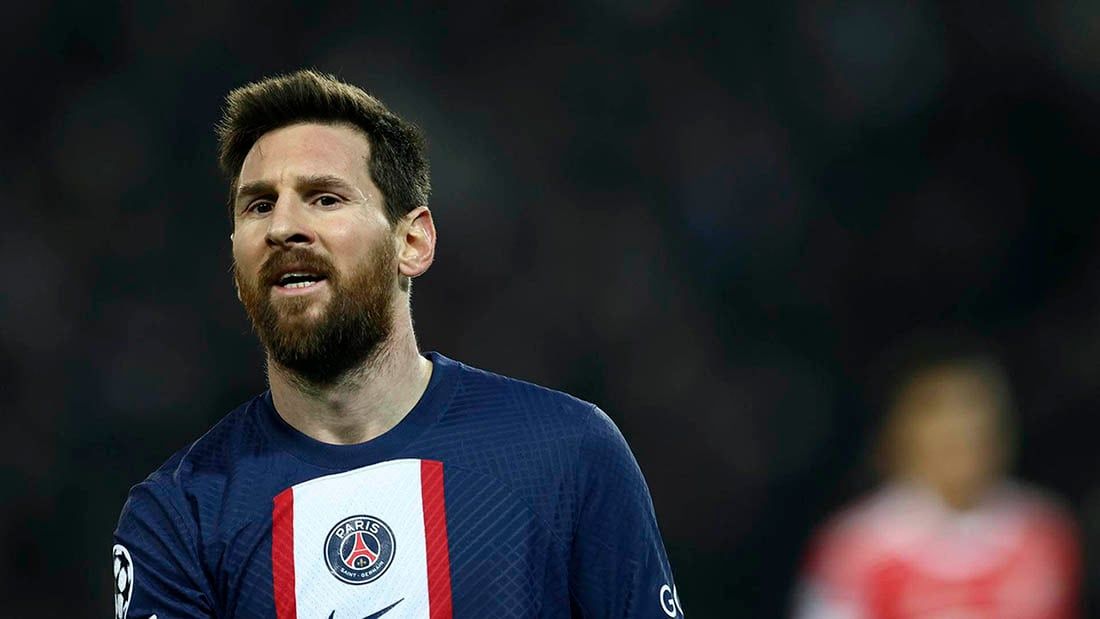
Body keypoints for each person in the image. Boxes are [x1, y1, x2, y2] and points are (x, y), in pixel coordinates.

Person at [112, 69, 683, 619]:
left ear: (412, 241)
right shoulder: (179, 516)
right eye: (259, 205)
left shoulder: (568, 453)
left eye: (324, 198)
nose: (282, 227)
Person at [793, 345, 1080, 618]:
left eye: (975, 406)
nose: (964, 426)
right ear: (896, 427)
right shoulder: (856, 547)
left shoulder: (1042, 531)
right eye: (936, 409)